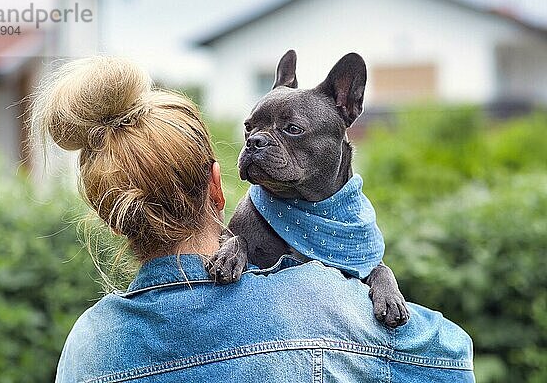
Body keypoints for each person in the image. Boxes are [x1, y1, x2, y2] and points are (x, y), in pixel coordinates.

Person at [32, 57, 475, 383]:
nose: (261, 142)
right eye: (252, 134)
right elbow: (453, 360)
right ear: (216, 186)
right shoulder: (330, 309)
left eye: (290, 131)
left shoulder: (87, 346)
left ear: (110, 219)